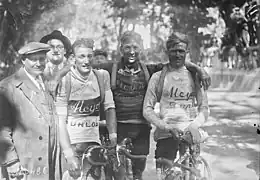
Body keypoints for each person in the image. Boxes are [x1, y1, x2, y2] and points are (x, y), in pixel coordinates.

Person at [94, 31, 211, 180]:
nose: (131, 51)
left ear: (141, 49)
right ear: (120, 48)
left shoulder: (150, 70)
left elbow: (175, 62)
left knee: (139, 173)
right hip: (121, 128)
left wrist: (199, 69)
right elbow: (84, 67)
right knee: (119, 174)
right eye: (127, 47)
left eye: (135, 47)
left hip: (145, 130)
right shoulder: (111, 68)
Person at [0, 42, 80, 180]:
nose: (38, 63)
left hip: (48, 160)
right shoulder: (8, 87)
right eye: (33, 59)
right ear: (23, 60)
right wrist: (11, 163)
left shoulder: (45, 82)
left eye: (42, 59)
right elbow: (2, 131)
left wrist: (68, 154)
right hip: (24, 165)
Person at [142, 32, 209, 179]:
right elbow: (147, 110)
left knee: (191, 175)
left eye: (181, 51)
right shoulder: (157, 77)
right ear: (167, 52)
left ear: (187, 52)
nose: (178, 55)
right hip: (166, 134)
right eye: (174, 51)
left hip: (190, 133)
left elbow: (204, 108)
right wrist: (166, 127)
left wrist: (195, 125)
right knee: (166, 175)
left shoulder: (195, 76)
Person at [54, 38, 117, 179]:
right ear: (73, 58)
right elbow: (60, 121)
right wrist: (69, 154)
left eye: (89, 56)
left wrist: (113, 134)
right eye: (81, 56)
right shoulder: (65, 80)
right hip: (71, 146)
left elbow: (110, 107)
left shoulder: (102, 76)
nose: (86, 61)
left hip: (93, 145)